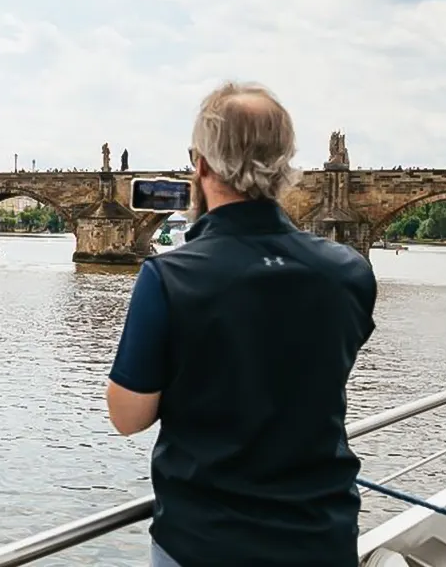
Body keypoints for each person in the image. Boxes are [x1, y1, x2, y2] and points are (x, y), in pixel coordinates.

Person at [106, 82, 377, 567]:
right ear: (286, 166)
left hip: (205, 541)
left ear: (201, 164)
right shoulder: (348, 272)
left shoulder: (170, 277)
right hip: (322, 535)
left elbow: (128, 418)